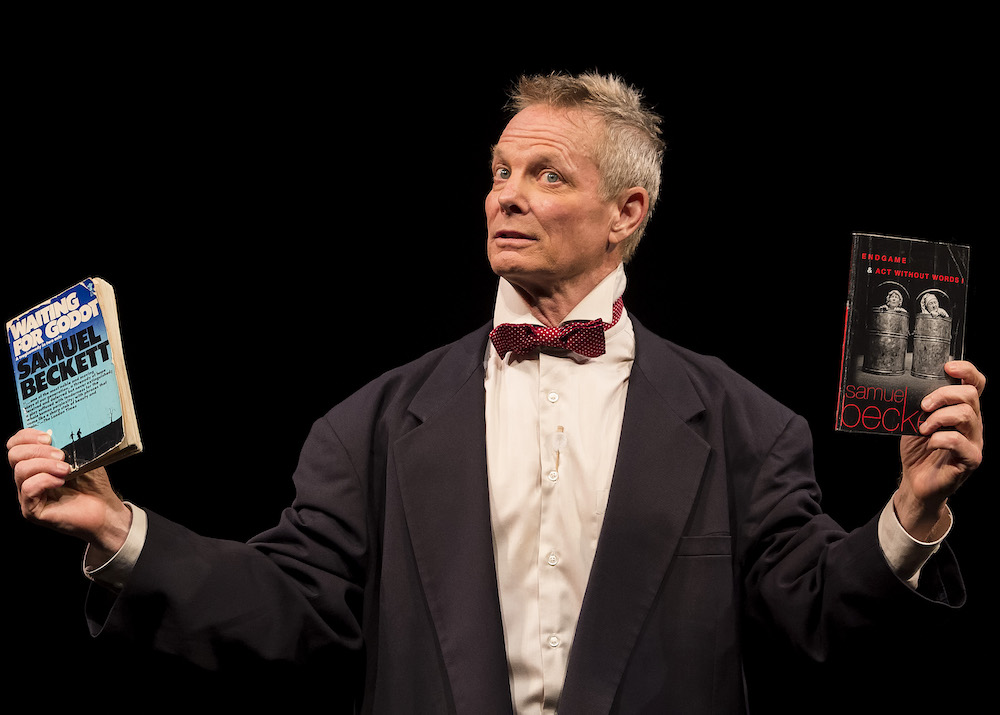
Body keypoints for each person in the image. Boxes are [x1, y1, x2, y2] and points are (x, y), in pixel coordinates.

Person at [8, 72, 986, 714]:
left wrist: (911, 511)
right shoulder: (372, 426)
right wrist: (119, 529)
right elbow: (286, 608)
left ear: (625, 212)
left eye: (546, 173)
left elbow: (815, 610)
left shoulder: (744, 425)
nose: (505, 194)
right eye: (499, 171)